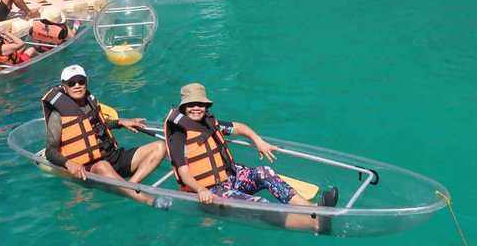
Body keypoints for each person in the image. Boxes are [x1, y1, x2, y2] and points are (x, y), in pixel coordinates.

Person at [164, 83, 339, 231]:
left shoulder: (208, 123)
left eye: (200, 104)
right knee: (260, 204)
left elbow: (238, 127)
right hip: (210, 193)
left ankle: (312, 209)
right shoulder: (179, 135)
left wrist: (257, 140)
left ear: (206, 106)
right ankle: (312, 224)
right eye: (191, 104)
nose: (196, 108)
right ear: (183, 107)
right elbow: (183, 171)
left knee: (264, 172)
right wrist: (200, 189)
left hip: (231, 179)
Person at [42, 64, 170, 208]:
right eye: (71, 83)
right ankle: (148, 200)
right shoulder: (58, 114)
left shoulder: (91, 103)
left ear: (86, 83)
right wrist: (69, 163)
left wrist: (120, 122)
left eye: (81, 81)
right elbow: (50, 150)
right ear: (64, 87)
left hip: (113, 158)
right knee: (103, 166)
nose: (77, 86)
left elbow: (97, 125)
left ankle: (129, 187)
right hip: (89, 169)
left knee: (160, 147)